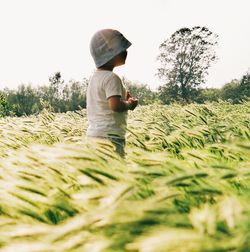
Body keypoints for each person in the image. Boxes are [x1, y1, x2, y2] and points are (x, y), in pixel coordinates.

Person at [87, 29, 138, 157]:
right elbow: (115, 106)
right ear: (111, 52)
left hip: (94, 135)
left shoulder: (94, 78)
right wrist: (129, 104)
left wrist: (123, 97)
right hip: (111, 136)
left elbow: (104, 101)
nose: (126, 51)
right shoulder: (112, 78)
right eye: (122, 48)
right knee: (117, 172)